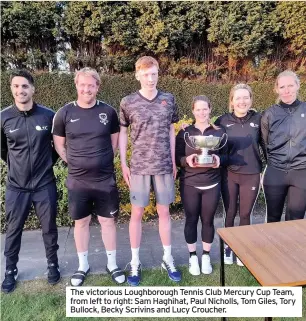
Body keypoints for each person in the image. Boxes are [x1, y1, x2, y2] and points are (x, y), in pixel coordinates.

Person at [52, 67, 125, 286]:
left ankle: (112, 264)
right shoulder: (64, 113)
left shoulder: (109, 112)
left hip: (104, 180)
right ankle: (83, 265)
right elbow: (59, 145)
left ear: (97, 87)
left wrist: (100, 161)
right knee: (81, 222)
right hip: (78, 180)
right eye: (82, 85)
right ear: (76, 85)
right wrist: (76, 162)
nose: (86, 89)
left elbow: (114, 143)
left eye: (91, 85)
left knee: (108, 221)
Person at [119, 56, 181, 286]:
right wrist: (124, 163)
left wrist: (174, 161)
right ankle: (135, 262)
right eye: (146, 74)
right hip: (139, 167)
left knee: (164, 213)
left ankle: (167, 258)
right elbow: (123, 132)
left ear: (158, 74)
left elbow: (171, 130)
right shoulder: (128, 102)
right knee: (136, 213)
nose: (150, 78)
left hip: (164, 165)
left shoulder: (169, 99)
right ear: (137, 75)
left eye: (154, 74)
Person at [1, 70, 60, 293]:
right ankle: (10, 270)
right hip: (17, 187)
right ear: (12, 89)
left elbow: (56, 147)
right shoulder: (3, 117)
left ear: (33, 89)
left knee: (49, 228)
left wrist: (46, 164)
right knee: (13, 229)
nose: (20, 90)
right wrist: (17, 168)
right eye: (16, 86)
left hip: (44, 184)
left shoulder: (48, 116)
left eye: (24, 86)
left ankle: (52, 264)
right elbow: (3, 150)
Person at [215, 84, 266, 266]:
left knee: (245, 214)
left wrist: (267, 169)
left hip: (251, 174)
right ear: (232, 101)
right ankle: (229, 247)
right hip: (229, 174)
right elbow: (217, 148)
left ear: (251, 100)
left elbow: (265, 146)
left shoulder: (259, 119)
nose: (242, 101)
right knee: (229, 212)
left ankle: (242, 249)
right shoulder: (222, 121)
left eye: (246, 97)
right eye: (238, 98)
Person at [175, 95, 227, 276]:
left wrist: (219, 159)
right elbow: (177, 158)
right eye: (198, 109)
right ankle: (192, 257)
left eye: (205, 109)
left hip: (212, 183)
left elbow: (227, 156)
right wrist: (186, 160)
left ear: (210, 109)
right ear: (193, 111)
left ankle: (205, 256)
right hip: (189, 183)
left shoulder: (219, 132)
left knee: (208, 220)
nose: (202, 112)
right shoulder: (185, 132)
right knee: (191, 220)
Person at [261, 70, 306, 222]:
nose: (286, 91)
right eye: (282, 87)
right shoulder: (269, 114)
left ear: (297, 86)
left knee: (296, 218)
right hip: (276, 172)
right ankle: (270, 246)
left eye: (290, 86)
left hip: (301, 172)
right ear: (276, 89)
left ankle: (290, 247)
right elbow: (264, 142)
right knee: (273, 217)